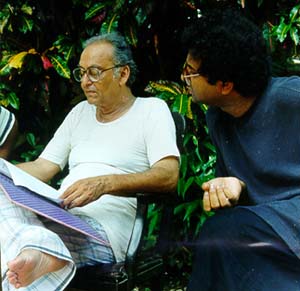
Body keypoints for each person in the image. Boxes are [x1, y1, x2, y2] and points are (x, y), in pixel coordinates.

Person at [0, 32, 180, 290]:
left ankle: (37, 248)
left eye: (94, 72)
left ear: (123, 74)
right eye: (81, 73)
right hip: (60, 216)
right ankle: (36, 247)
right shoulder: (80, 113)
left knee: (12, 261)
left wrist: (105, 184)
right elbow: (42, 167)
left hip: (103, 232)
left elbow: (169, 174)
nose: (85, 82)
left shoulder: (151, 110)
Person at [181, 8, 300, 291]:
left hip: (290, 223)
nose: (183, 78)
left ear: (224, 85)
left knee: (221, 233)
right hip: (268, 230)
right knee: (223, 233)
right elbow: (245, 201)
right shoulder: (217, 117)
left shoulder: (290, 98)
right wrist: (234, 187)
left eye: (190, 72)